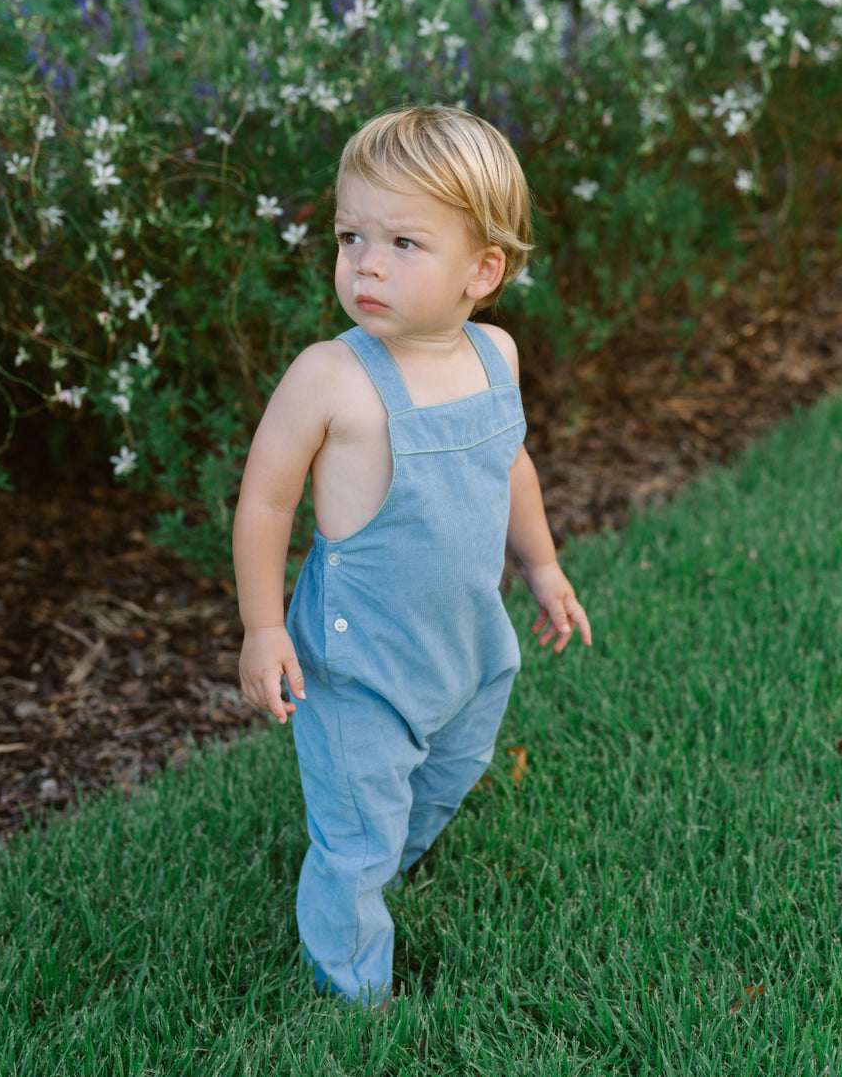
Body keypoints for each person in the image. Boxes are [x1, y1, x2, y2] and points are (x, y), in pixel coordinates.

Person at [233, 105, 592, 1008]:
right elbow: (267, 500)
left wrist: (543, 569)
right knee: (354, 838)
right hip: (355, 661)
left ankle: (390, 845)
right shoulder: (331, 375)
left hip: (467, 641)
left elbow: (511, 464)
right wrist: (263, 626)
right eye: (352, 235)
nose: (366, 263)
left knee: (450, 770)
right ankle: (354, 996)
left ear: (484, 269)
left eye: (402, 241)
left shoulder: (494, 354)